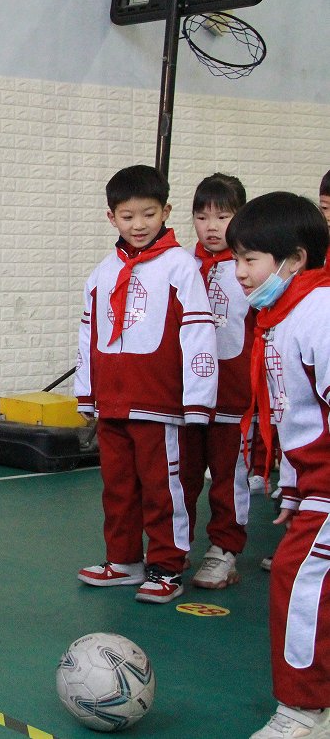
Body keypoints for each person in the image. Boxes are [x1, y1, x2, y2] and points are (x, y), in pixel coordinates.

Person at [75, 164, 218, 604]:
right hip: (113, 402)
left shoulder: (180, 267)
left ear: (166, 211)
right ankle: (123, 560)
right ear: (111, 218)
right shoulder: (101, 272)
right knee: (117, 486)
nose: (138, 225)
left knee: (163, 487)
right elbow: (88, 334)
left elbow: (198, 330)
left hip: (159, 402)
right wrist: (87, 393)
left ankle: (167, 565)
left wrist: (197, 398)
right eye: (128, 216)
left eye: (149, 214)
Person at [227, 192, 330, 739]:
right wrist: (293, 487)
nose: (238, 272)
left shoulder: (321, 316)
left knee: (298, 580)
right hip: (315, 484)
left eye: (250, 260)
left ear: (292, 260)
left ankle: (303, 710)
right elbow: (295, 416)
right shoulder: (279, 318)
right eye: (235, 259)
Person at [180, 173, 254, 589]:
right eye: (202, 216)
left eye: (223, 216)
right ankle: (175, 546)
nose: (212, 226)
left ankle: (224, 550)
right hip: (186, 398)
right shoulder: (180, 266)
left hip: (233, 397)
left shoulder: (251, 270)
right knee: (182, 476)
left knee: (228, 477)